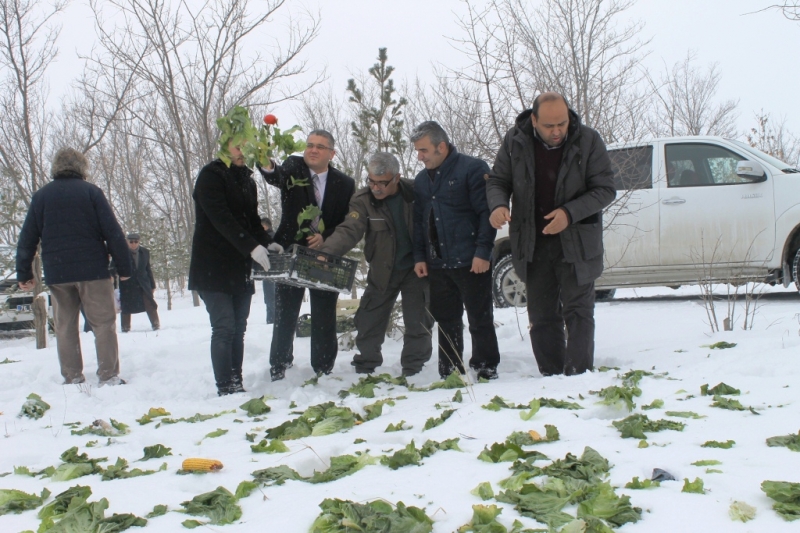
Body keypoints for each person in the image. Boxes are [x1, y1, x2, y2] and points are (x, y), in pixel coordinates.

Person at [486, 92, 616, 376]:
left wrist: (569, 214)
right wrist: (497, 205)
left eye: (562, 123)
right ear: (534, 120)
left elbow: (605, 189)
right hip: (533, 243)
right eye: (549, 126)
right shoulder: (515, 141)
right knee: (542, 315)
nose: (557, 131)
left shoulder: (588, 140)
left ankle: (579, 375)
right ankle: (552, 374)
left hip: (577, 241)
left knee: (579, 312)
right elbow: (498, 180)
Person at [16, 147, 131, 386]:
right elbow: (113, 232)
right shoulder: (91, 193)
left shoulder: (42, 197)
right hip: (93, 271)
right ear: (82, 168)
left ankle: (72, 376)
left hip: (59, 273)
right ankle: (108, 374)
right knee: (103, 324)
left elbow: (27, 238)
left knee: (65, 327)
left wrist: (24, 273)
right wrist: (124, 267)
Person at [319, 152, 433, 377]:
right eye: (372, 181)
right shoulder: (362, 200)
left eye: (382, 183)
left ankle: (414, 368)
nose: (376, 188)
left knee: (418, 320)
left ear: (397, 178)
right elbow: (349, 229)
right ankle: (366, 365)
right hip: (382, 269)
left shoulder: (416, 191)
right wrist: (327, 252)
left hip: (417, 269)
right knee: (369, 319)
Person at [258, 129, 356, 381]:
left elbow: (345, 221)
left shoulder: (344, 184)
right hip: (290, 251)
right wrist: (267, 164)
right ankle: (279, 364)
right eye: (310, 145)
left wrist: (327, 238)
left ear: (332, 153)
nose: (313, 150)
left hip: (323, 255)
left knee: (324, 312)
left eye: (320, 147)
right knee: (285, 312)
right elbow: (276, 177)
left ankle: (323, 367)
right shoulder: (294, 166)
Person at [188, 135, 280, 396]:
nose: (243, 151)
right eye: (238, 146)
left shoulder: (247, 180)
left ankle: (236, 380)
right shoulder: (211, 175)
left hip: (239, 267)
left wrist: (266, 241)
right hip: (212, 265)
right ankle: (225, 384)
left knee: (239, 326)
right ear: (225, 145)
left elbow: (252, 221)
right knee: (224, 325)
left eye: (247, 146)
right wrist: (250, 246)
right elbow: (221, 218)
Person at [410, 121, 500, 380]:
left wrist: (483, 251)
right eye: (417, 151)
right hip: (438, 263)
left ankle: (485, 365)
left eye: (424, 150)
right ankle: (450, 368)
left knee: (479, 318)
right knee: (446, 319)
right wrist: (420, 256)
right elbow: (419, 221)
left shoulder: (472, 169)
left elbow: (486, 214)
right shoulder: (421, 180)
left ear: (442, 146)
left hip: (472, 260)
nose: (420, 157)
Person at [115, 233, 160, 332]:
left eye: (136, 242)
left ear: (139, 242)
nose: (133, 244)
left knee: (150, 303)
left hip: (143, 283)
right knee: (126, 306)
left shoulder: (145, 252)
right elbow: (112, 268)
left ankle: (156, 325)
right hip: (127, 285)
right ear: (127, 242)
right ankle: (125, 328)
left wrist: (152, 285)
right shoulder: (121, 253)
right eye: (131, 242)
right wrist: (119, 276)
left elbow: (148, 269)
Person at [260, 217, 277, 325]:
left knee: (271, 297)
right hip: (268, 270)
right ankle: (270, 320)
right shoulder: (269, 236)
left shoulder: (269, 237)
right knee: (269, 297)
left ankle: (273, 319)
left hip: (270, 270)